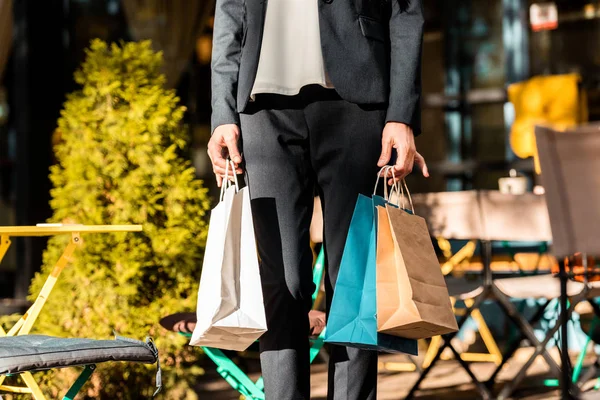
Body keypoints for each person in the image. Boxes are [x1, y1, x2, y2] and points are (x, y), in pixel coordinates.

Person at [207, 0, 428, 399]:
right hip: (263, 107)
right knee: (281, 283)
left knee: (353, 282)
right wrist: (222, 113)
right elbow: (231, 10)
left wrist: (402, 114)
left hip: (357, 101)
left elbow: (405, 11)